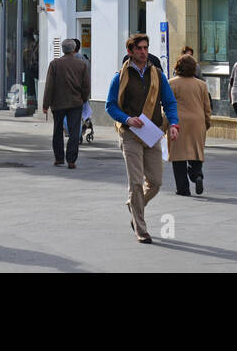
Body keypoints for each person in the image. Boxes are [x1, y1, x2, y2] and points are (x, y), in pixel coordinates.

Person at [107, 33, 180, 244]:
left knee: (156, 182)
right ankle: (141, 228)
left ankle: (135, 205)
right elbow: (110, 106)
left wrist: (173, 124)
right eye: (139, 48)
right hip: (130, 135)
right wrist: (127, 119)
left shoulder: (157, 74)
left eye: (146, 48)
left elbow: (170, 102)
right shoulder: (119, 76)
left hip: (152, 132)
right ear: (130, 51)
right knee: (136, 183)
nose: (143, 52)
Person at [42, 39, 92, 169]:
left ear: (63, 49)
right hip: (76, 103)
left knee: (57, 130)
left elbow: (49, 86)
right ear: (74, 49)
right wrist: (84, 98)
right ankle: (71, 160)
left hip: (58, 103)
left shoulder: (54, 64)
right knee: (74, 131)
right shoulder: (81, 65)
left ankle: (59, 158)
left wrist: (45, 104)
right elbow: (86, 86)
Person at [168, 55, 211, 196]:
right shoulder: (201, 85)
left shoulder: (171, 83)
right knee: (196, 151)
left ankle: (183, 188)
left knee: (178, 156)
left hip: (178, 122)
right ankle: (197, 175)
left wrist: (164, 125)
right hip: (197, 121)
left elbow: (167, 105)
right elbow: (207, 106)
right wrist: (207, 122)